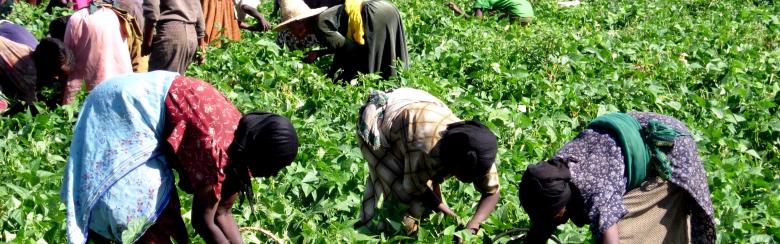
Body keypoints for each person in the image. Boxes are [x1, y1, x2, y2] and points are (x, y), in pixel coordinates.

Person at [61, 71, 300, 243]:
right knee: (143, 210)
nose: (273, 175)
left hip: (150, 100)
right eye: (274, 166)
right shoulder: (218, 151)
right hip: (123, 106)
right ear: (261, 153)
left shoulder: (244, 141)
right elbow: (204, 221)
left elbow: (223, 212)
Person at [518, 112, 716, 243]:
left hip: (669, 146)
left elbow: (610, 240)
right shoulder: (555, 174)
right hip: (633, 132)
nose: (556, 223)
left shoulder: (596, 192)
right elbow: (544, 224)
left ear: (562, 205)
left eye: (554, 216)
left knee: (628, 232)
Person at [354, 88, 501, 235]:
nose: (471, 181)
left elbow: (492, 192)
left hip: (416, 114)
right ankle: (372, 231)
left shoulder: (480, 153)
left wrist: (472, 226)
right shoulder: (426, 148)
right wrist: (449, 215)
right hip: (381, 124)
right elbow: (415, 187)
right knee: (402, 201)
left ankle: (420, 227)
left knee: (424, 199)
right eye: (467, 176)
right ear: (454, 161)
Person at [274, 0, 409, 81]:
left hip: (375, 14)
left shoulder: (320, 26)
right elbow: (342, 45)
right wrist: (319, 53)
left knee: (372, 64)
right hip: (384, 8)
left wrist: (333, 76)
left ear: (301, 22)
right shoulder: (319, 22)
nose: (291, 32)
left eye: (291, 27)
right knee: (388, 55)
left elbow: (349, 50)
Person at [62, 4, 136, 104]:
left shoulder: (76, 18)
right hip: (117, 88)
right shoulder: (117, 17)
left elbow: (66, 57)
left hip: (82, 92)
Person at [0, 37, 73, 115]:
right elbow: (32, 108)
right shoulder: (29, 74)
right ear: (45, 66)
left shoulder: (28, 51)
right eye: (56, 73)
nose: (57, 78)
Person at [143, 0, 206, 74]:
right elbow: (198, 9)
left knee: (160, 81)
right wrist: (201, 43)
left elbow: (152, 10)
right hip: (191, 35)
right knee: (176, 81)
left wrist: (147, 42)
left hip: (171, 34)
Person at [272, 0, 339, 50]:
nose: (290, 31)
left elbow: (344, 47)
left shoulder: (322, 25)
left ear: (300, 21)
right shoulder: (315, 26)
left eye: (290, 27)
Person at [447, 0, 533, 26]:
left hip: (518, 13)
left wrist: (458, 10)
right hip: (529, 12)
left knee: (511, 38)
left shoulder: (480, 1)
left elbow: (476, 21)